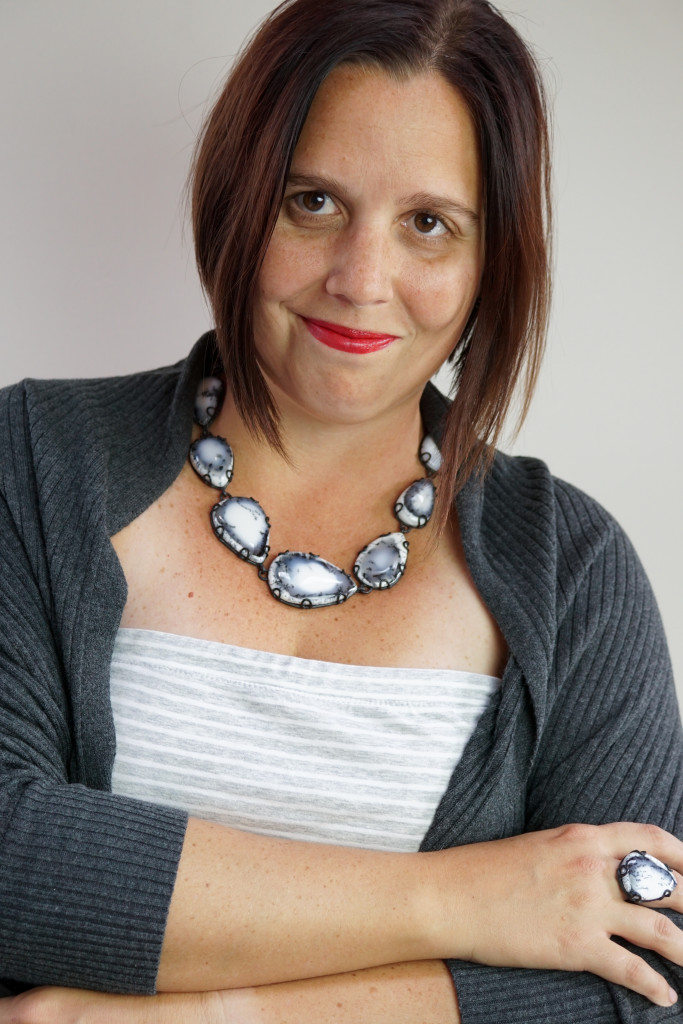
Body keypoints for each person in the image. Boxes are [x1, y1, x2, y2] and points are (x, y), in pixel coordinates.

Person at [1, 0, 682, 1021]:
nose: (362, 280)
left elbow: (645, 981)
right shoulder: (29, 459)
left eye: (426, 224)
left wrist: (176, 1017)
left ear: (489, 260)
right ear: (239, 200)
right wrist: (468, 898)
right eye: (312, 202)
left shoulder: (569, 566)